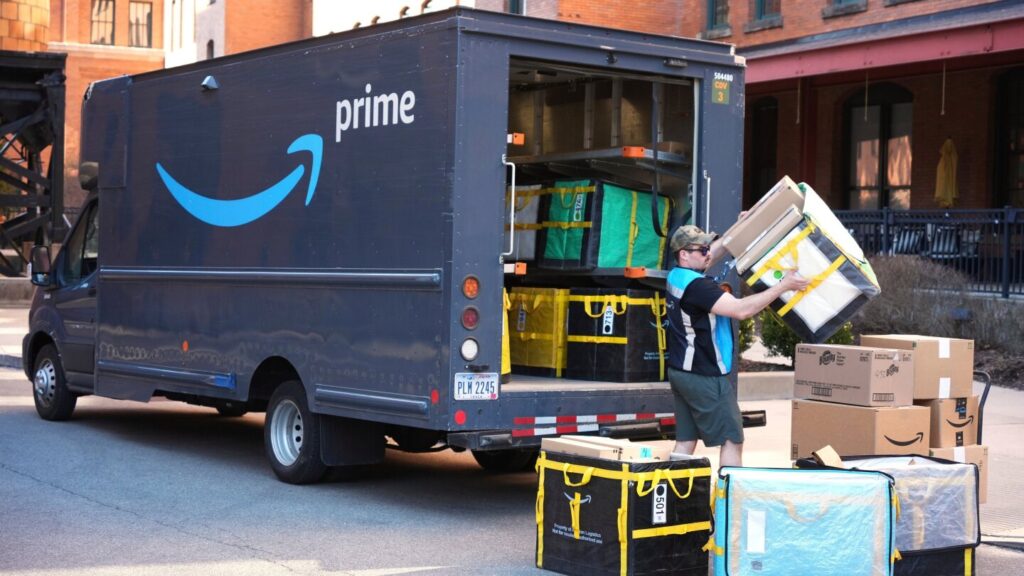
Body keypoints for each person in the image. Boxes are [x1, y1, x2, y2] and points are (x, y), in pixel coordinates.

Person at [665, 224, 809, 467]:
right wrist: (783, 286)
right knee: (732, 438)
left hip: (681, 371)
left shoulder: (676, 276)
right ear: (684, 254)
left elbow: (715, 252)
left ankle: (673, 486)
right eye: (702, 250)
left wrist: (744, 224)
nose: (708, 254)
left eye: (707, 248)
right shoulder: (698, 287)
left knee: (686, 440)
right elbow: (742, 310)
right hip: (704, 374)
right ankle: (729, 489)